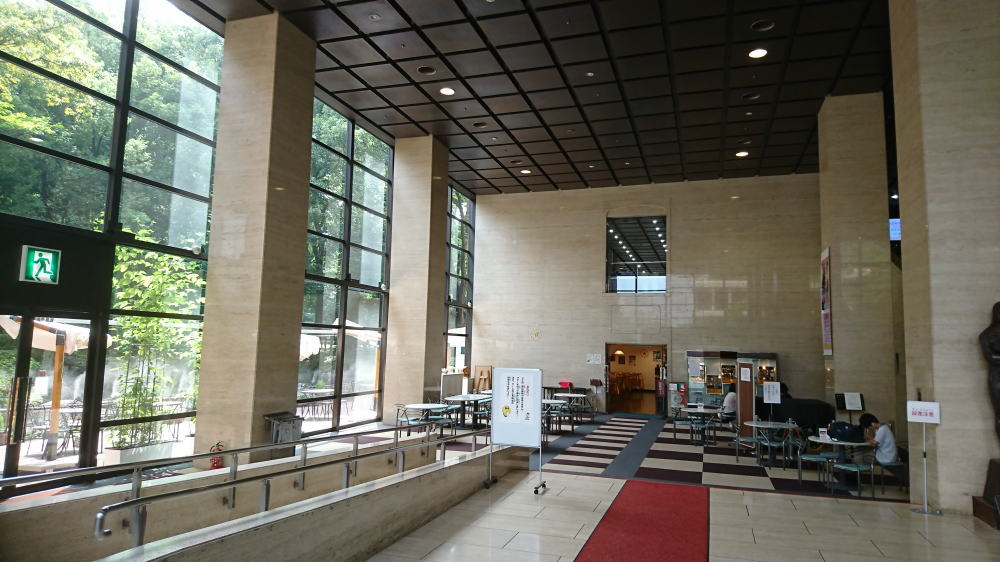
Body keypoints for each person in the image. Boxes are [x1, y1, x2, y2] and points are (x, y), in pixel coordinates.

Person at [858, 413, 907, 485]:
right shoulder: (883, 428)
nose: (870, 429)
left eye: (869, 427)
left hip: (886, 458)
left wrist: (866, 438)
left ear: (872, 423)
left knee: (864, 457)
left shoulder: (882, 429)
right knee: (865, 455)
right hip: (888, 455)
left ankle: (863, 480)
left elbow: (874, 443)